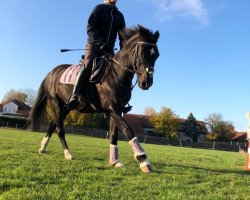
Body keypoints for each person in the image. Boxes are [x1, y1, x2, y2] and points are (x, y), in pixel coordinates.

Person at [67, 0, 126, 110]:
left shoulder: (120, 16)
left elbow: (123, 36)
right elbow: (90, 29)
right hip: (94, 45)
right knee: (88, 65)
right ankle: (75, 96)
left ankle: (119, 101)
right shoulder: (99, 8)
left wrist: (124, 50)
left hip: (109, 50)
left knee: (118, 71)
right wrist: (101, 44)